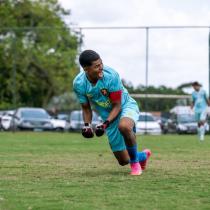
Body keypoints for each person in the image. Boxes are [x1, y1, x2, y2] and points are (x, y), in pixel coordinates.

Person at [73, 50, 151, 175]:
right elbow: (86, 108)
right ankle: (142, 156)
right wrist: (87, 125)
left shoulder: (111, 76)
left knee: (124, 127)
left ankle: (135, 165)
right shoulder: (79, 83)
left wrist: (104, 124)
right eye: (96, 66)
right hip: (108, 115)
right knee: (123, 160)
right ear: (86, 69)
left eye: (101, 64)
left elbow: (117, 105)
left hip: (125, 106)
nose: (101, 68)